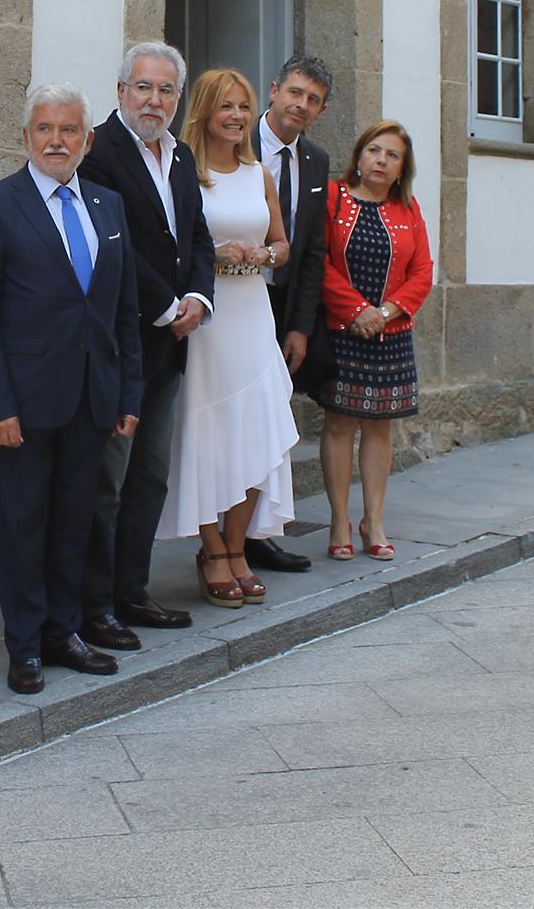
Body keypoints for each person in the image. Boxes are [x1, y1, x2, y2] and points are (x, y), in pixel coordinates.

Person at [0, 83, 143, 694]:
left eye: (69, 130)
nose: (56, 140)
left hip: (92, 396)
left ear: (87, 141)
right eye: (44, 129)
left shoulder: (108, 206)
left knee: (76, 519)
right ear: (25, 137)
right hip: (24, 400)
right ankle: (24, 646)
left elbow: (123, 311)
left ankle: (62, 630)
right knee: (22, 524)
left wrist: (128, 397)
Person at [77, 41, 215, 652]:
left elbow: (199, 239)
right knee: (108, 479)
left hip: (171, 344)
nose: (153, 100)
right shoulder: (98, 152)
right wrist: (165, 305)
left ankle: (133, 591)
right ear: (120, 91)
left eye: (165, 90)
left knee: (150, 477)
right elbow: (115, 243)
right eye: (143, 87)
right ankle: (94, 605)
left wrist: (200, 299)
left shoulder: (181, 157)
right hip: (121, 340)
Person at [160, 69, 299, 606]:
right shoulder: (186, 174)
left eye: (244, 107)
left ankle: (238, 545)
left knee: (256, 431)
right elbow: (178, 247)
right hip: (210, 320)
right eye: (226, 107)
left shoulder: (259, 173)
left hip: (253, 313)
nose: (238, 117)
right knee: (210, 433)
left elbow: (282, 243)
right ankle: (211, 547)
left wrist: (264, 255)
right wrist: (212, 256)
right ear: (205, 112)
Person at [317, 120, 433, 562]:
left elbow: (422, 272)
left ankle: (375, 520)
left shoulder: (408, 209)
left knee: (379, 428)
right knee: (340, 424)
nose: (381, 160)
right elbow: (321, 262)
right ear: (360, 156)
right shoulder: (334, 199)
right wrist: (356, 310)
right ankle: (339, 520)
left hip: (392, 335)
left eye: (392, 155)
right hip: (343, 332)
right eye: (375, 151)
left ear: (402, 168)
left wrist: (384, 312)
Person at [244, 53, 335, 575]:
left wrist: (300, 324)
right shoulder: (233, 142)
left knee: (273, 422)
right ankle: (223, 538)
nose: (301, 105)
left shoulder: (316, 161)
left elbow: (313, 250)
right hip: (234, 301)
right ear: (275, 89)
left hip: (279, 310)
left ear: (320, 111)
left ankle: (260, 534)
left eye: (313, 100)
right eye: (295, 93)